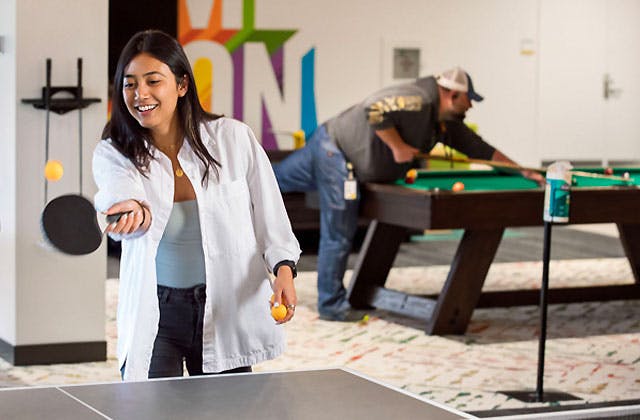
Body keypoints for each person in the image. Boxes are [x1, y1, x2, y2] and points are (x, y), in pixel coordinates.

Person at [92, 30, 301, 381]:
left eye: (153, 81)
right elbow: (122, 195)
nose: (139, 94)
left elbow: (271, 216)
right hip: (157, 312)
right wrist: (133, 211)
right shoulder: (115, 152)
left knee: (228, 412)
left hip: (227, 306)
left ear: (182, 85)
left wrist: (283, 271)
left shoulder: (233, 138)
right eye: (129, 84)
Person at [273, 67, 544, 322]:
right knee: (339, 232)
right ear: (453, 95)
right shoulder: (419, 99)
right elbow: (374, 108)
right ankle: (332, 307)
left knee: (270, 180)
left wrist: (521, 171)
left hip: (332, 143)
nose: (471, 106)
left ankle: (239, 182)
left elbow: (480, 149)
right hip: (336, 154)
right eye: (469, 100)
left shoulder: (445, 122)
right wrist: (398, 146)